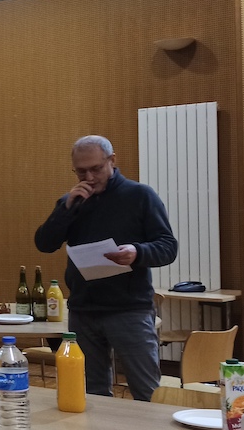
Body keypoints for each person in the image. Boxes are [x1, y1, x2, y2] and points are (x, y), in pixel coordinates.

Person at [34, 134, 178, 402]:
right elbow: (44, 244)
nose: (89, 177)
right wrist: (65, 210)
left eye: (96, 168)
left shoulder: (140, 195)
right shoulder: (71, 202)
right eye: (81, 171)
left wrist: (137, 252)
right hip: (83, 310)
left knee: (147, 393)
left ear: (112, 160)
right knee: (90, 394)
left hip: (129, 310)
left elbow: (168, 247)